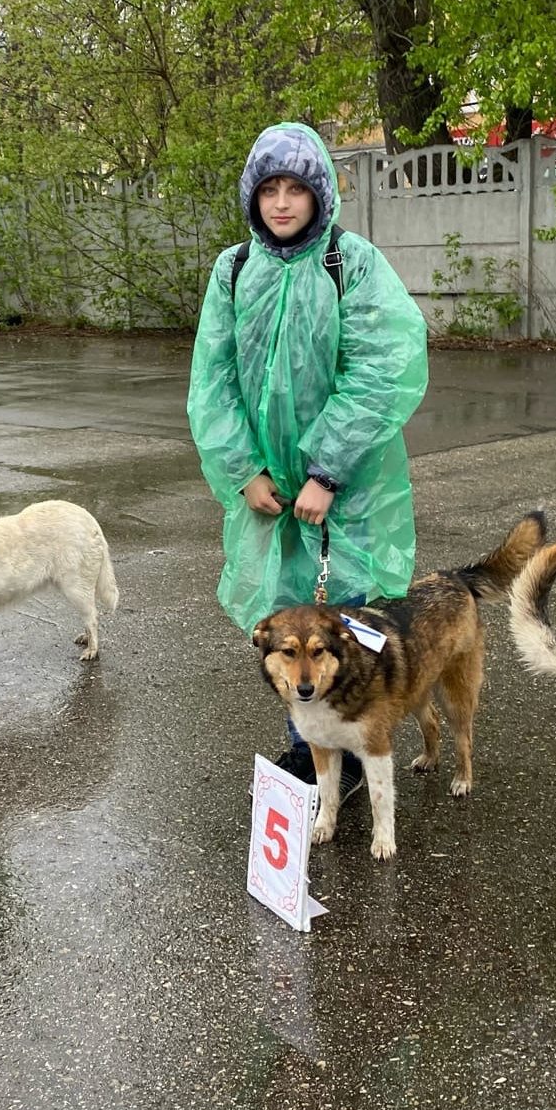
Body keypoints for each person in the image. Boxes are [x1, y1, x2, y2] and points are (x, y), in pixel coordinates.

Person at [187, 122, 429, 782]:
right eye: (270, 188)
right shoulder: (234, 271)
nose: (283, 202)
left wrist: (327, 468)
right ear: (252, 196)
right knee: (291, 622)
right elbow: (213, 381)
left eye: (297, 187)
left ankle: (350, 750)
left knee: (348, 618)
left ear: (321, 193)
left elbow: (383, 366)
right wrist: (244, 469)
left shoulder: (350, 264)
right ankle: (312, 744)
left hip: (347, 490)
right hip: (269, 490)